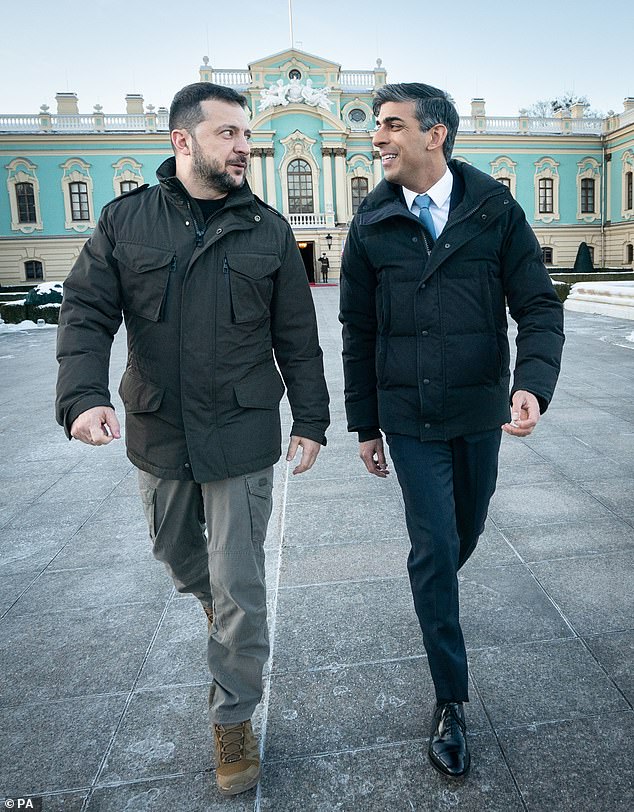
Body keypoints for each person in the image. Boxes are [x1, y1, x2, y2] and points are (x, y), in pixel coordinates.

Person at [55, 82, 330, 797]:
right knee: (179, 558)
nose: (246, 146)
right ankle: (223, 613)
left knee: (239, 582)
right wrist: (82, 396)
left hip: (241, 430)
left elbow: (297, 339)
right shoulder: (126, 223)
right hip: (158, 427)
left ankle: (233, 714)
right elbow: (85, 313)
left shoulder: (267, 230)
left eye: (247, 134)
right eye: (230, 134)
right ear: (184, 142)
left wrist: (311, 419)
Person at [339, 83, 564, 780]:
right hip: (408, 419)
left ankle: (434, 595)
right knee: (435, 547)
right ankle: (450, 700)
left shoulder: (495, 209)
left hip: (477, 413)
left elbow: (537, 306)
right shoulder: (370, 224)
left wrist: (531, 386)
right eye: (377, 125)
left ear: (434, 135)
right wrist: (364, 425)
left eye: (391, 125)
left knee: (463, 532)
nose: (377, 137)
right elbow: (358, 333)